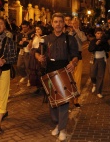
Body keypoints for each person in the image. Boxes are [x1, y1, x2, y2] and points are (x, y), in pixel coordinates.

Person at [35, 13, 79, 141]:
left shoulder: (70, 39)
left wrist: (73, 62)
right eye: (56, 21)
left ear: (63, 24)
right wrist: (39, 57)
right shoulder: (46, 39)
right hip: (49, 72)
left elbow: (76, 55)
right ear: (52, 23)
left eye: (60, 21)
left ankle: (63, 128)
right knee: (52, 101)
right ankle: (58, 124)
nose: (58, 24)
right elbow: (37, 52)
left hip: (63, 71)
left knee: (64, 101)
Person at [68, 18, 87, 107]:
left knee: (77, 79)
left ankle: (76, 98)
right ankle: (70, 97)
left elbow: (84, 39)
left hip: (78, 57)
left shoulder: (80, 33)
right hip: (69, 57)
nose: (73, 25)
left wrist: (77, 30)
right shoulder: (67, 33)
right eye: (72, 23)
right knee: (69, 78)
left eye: (75, 23)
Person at [88, 28, 109, 98]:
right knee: (92, 74)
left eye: (100, 33)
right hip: (94, 59)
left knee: (100, 76)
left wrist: (102, 44)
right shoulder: (93, 41)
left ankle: (99, 92)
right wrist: (96, 45)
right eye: (98, 33)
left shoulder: (104, 41)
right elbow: (90, 49)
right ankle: (94, 83)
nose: (99, 35)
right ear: (95, 34)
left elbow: (107, 49)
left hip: (102, 59)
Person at [27, 25, 45, 94]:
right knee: (34, 71)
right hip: (33, 54)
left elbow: (43, 43)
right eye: (36, 29)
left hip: (39, 53)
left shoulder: (44, 37)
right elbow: (29, 47)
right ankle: (37, 87)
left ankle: (42, 86)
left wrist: (39, 36)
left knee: (39, 70)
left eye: (39, 29)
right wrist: (31, 39)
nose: (37, 31)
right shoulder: (34, 37)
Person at [16, 20, 34, 86]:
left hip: (28, 51)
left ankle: (29, 78)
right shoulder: (20, 33)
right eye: (22, 27)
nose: (23, 29)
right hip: (22, 50)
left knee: (28, 66)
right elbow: (17, 42)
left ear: (28, 26)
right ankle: (24, 75)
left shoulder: (32, 33)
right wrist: (19, 43)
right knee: (19, 65)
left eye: (25, 27)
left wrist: (27, 41)